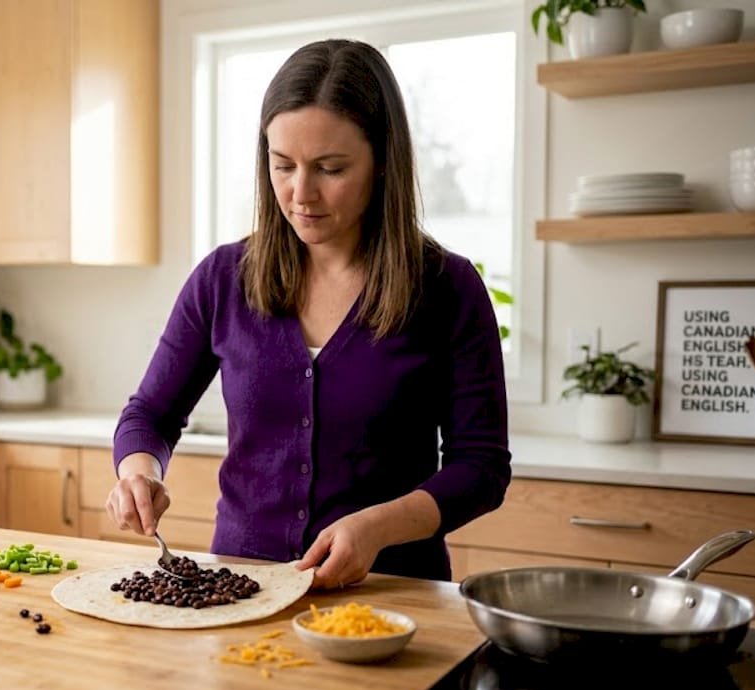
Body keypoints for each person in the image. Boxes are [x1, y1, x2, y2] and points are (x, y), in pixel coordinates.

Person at [105, 39, 511, 588]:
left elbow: (481, 469)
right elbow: (149, 416)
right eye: (283, 166)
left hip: (395, 594)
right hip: (241, 592)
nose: (301, 194)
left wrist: (377, 527)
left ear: (382, 162)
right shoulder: (223, 278)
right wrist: (138, 472)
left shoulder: (447, 287)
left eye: (330, 168)